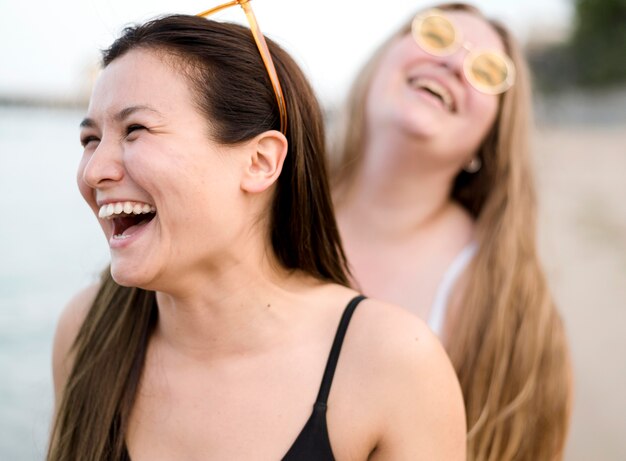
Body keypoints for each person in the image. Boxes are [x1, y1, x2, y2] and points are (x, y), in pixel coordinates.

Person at [47, 4, 466, 461]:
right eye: (90, 140)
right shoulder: (86, 330)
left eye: (135, 130)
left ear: (260, 162)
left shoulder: (392, 364)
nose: (94, 171)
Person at [330, 3, 572, 460]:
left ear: (490, 138)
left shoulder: (509, 305)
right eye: (436, 35)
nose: (455, 63)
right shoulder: (254, 205)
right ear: (378, 63)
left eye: (486, 70)